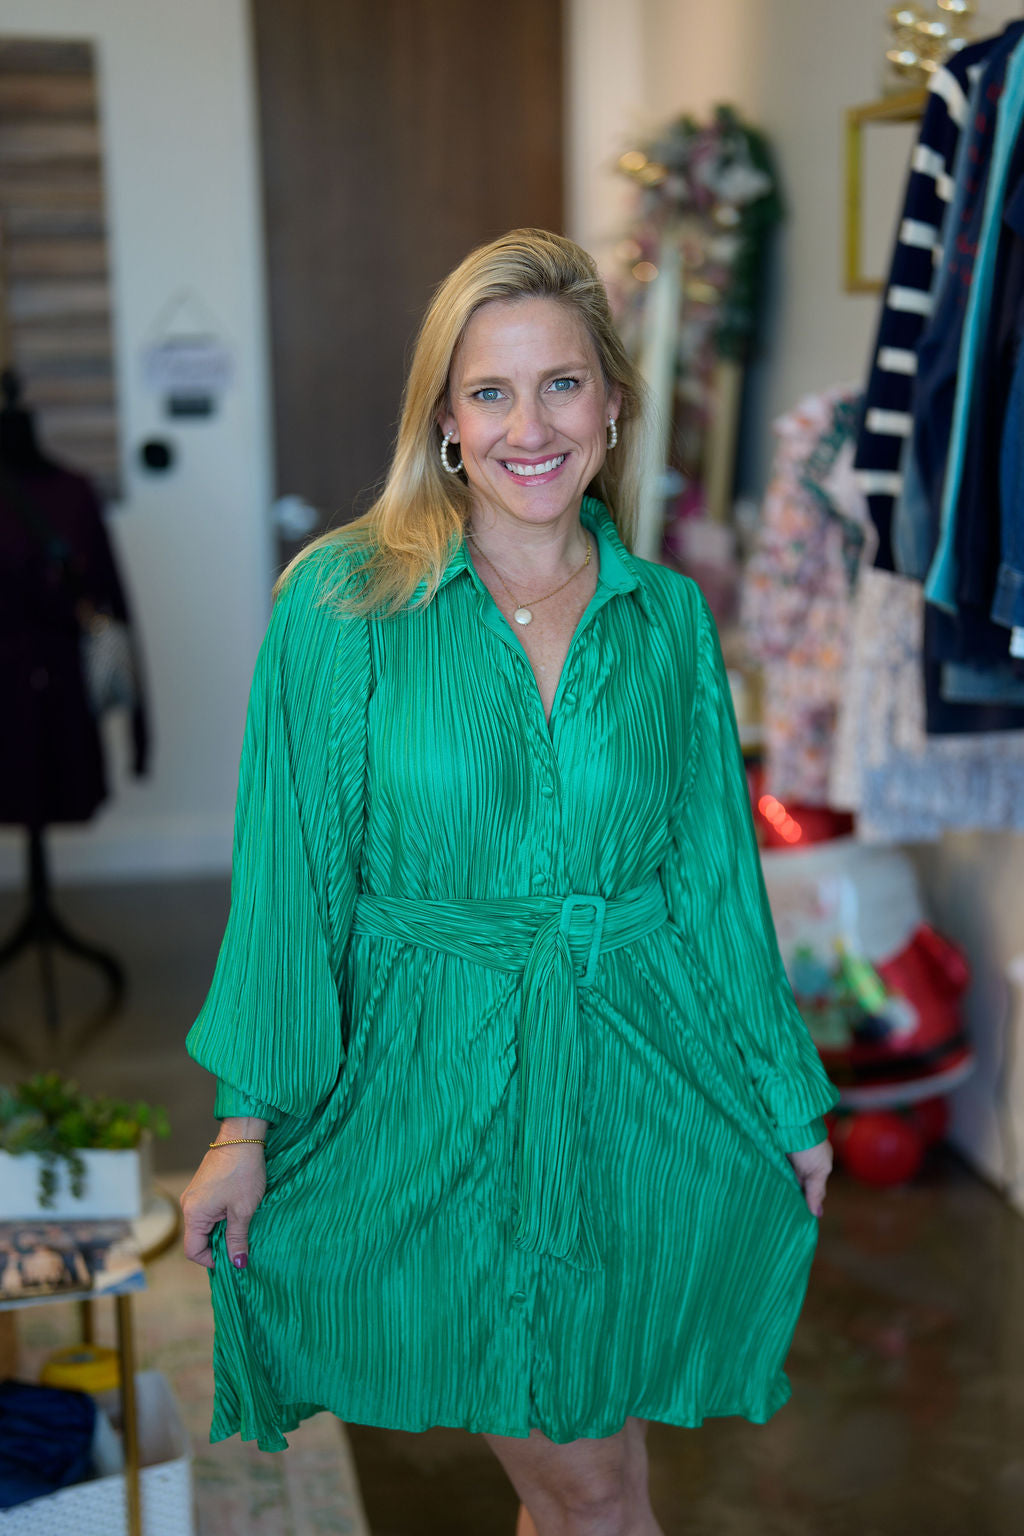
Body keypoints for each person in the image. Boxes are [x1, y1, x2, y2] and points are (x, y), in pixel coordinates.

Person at [181, 227, 839, 1536]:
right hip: (435, 1087)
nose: (529, 427)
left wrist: (786, 1095)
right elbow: (290, 887)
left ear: (612, 404)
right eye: (490, 391)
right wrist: (244, 1128)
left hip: (638, 1081)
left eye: (561, 385)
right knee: (590, 1488)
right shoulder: (346, 604)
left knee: (604, 1483)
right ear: (445, 419)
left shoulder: (666, 620)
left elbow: (716, 888)